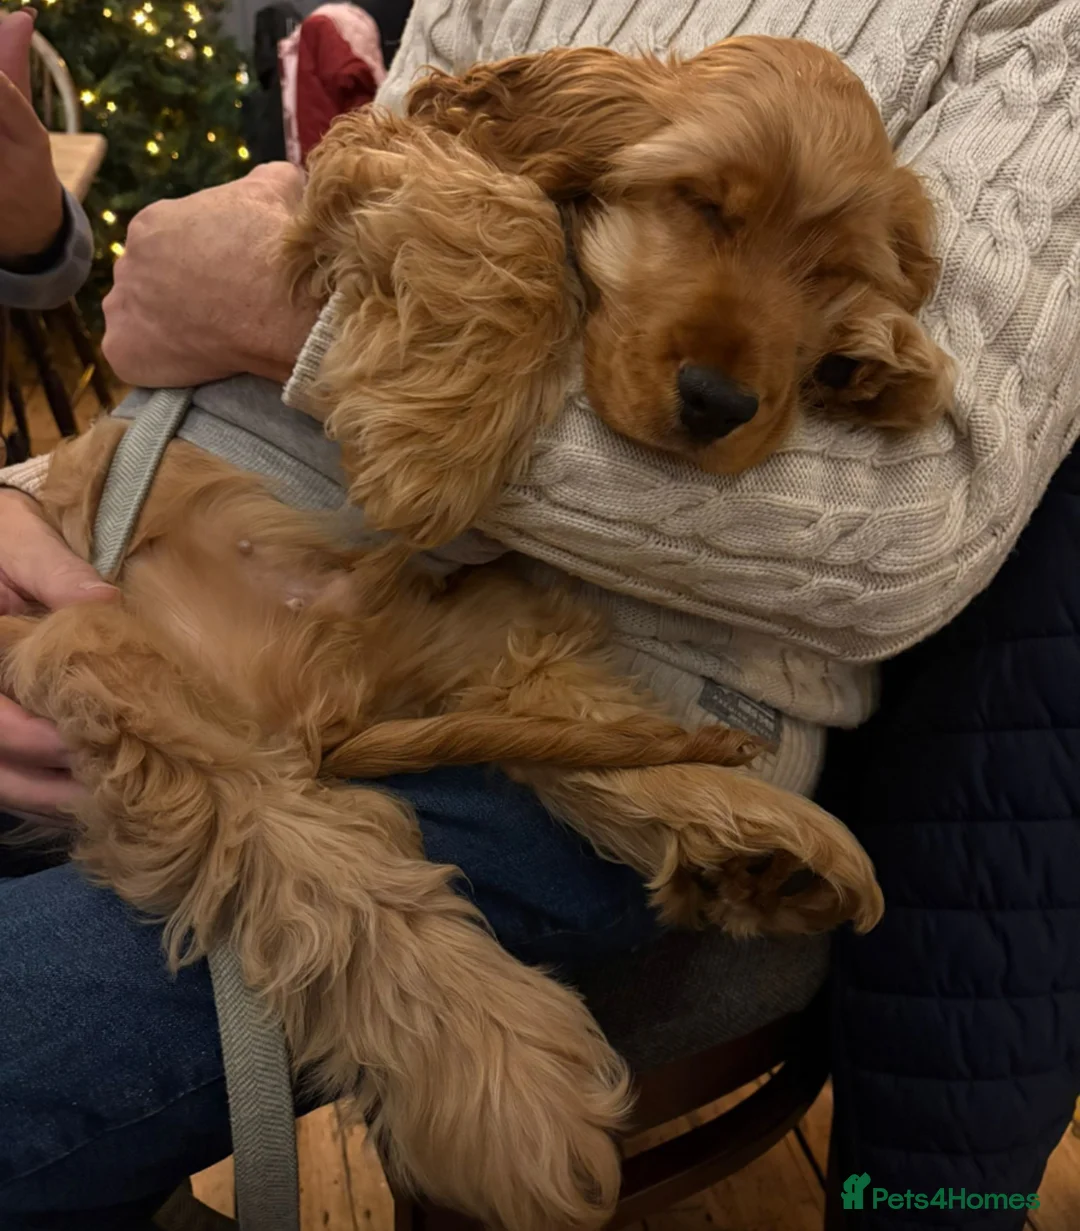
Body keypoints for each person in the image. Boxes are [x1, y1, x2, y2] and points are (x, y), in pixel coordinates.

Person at [1, 0, 1078, 1228]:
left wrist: (305, 336)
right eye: (703, 214)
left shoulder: (1037, 30)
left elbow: (913, 531)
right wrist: (26, 505)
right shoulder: (568, 91)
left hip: (593, 669)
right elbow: (386, 179)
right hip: (180, 560)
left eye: (826, 279)